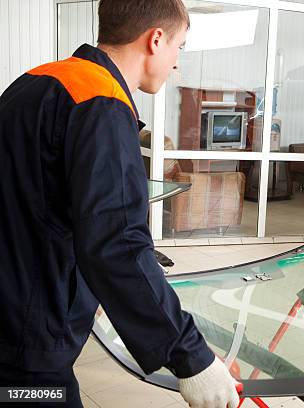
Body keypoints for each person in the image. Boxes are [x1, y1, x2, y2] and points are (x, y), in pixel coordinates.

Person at [0, 1, 239, 407]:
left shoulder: (39, 80)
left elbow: (39, 205)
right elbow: (117, 244)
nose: (177, 63)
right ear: (156, 39)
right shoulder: (102, 103)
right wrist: (192, 358)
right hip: (27, 343)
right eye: (180, 47)